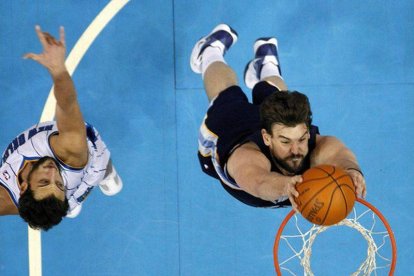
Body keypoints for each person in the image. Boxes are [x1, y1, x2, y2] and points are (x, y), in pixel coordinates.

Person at [190, 24, 366, 209]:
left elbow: (341, 156)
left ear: (307, 132)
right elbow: (259, 183)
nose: (296, 150)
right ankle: (209, 51)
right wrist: (285, 186)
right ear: (267, 137)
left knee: (274, 94)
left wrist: (352, 171)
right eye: (285, 142)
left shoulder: (319, 145)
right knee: (225, 91)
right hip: (234, 128)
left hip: (272, 124)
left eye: (301, 139)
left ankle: (266, 64)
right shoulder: (245, 157)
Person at [0, 26, 123, 231]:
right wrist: (58, 69)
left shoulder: (6, 197)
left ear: (22, 187)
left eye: (43, 182)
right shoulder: (71, 151)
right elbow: (68, 105)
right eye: (58, 183)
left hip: (48, 199)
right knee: (101, 167)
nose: (52, 173)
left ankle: (61, 208)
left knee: (47, 211)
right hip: (90, 163)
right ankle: (107, 177)